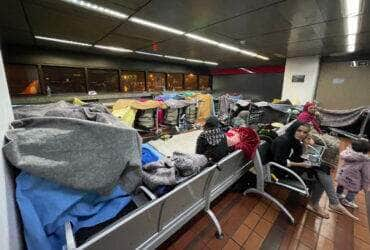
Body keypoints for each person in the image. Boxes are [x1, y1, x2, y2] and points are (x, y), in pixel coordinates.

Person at [270, 121, 358, 220]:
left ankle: (331, 202)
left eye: (305, 132)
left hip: (293, 166)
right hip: (283, 171)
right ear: (293, 129)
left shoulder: (294, 139)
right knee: (321, 176)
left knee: (324, 168)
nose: (302, 134)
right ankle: (323, 203)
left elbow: (297, 154)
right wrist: (301, 164)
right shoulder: (283, 141)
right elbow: (281, 162)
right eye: (299, 131)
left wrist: (305, 145)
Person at [336, 139, 370, 208]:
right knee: (353, 190)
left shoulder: (348, 152)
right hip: (354, 179)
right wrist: (365, 185)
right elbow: (366, 174)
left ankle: (337, 194)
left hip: (343, 174)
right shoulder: (365, 160)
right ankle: (348, 201)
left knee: (341, 184)